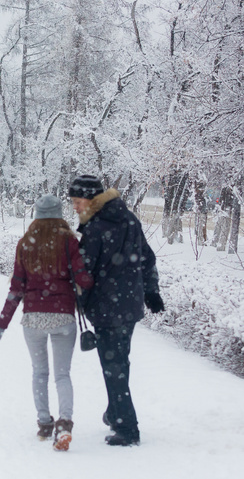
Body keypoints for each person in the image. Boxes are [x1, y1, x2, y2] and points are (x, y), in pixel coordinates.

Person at [0, 195, 93, 451]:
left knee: (39, 373)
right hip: (62, 316)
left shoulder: (26, 243)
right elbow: (85, 280)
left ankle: (45, 424)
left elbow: (16, 288)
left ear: (36, 215)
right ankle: (65, 424)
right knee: (62, 374)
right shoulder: (68, 241)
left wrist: (2, 323)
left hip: (33, 317)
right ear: (58, 214)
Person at [69, 175, 164, 447]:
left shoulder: (97, 227)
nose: (75, 207)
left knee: (114, 366)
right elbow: (147, 257)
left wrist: (76, 302)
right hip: (129, 306)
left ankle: (127, 428)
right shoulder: (129, 219)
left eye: (77, 202)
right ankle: (115, 413)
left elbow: (84, 272)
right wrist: (151, 291)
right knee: (119, 363)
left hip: (107, 308)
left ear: (89, 199)